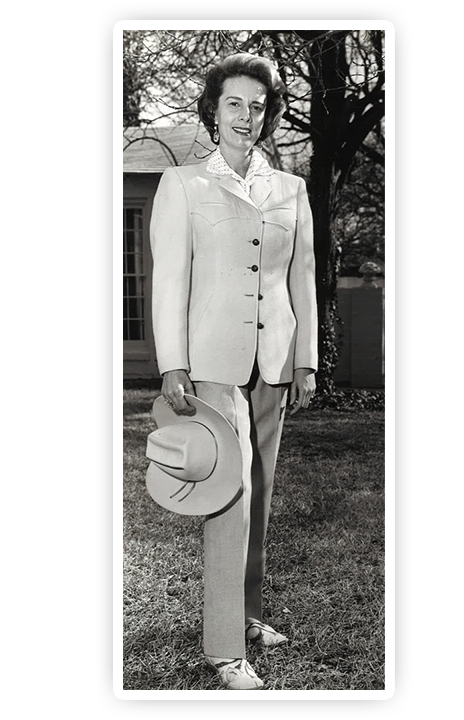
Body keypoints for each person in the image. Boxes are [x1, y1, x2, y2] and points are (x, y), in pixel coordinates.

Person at [149, 51, 317, 690]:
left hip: (272, 362)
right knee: (230, 499)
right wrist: (174, 364)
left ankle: (248, 617)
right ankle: (223, 650)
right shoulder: (183, 186)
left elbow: (299, 279)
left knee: (262, 493)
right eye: (235, 104)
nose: (248, 116)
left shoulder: (292, 190)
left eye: (258, 104)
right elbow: (169, 283)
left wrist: (306, 360)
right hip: (212, 365)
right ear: (213, 112)